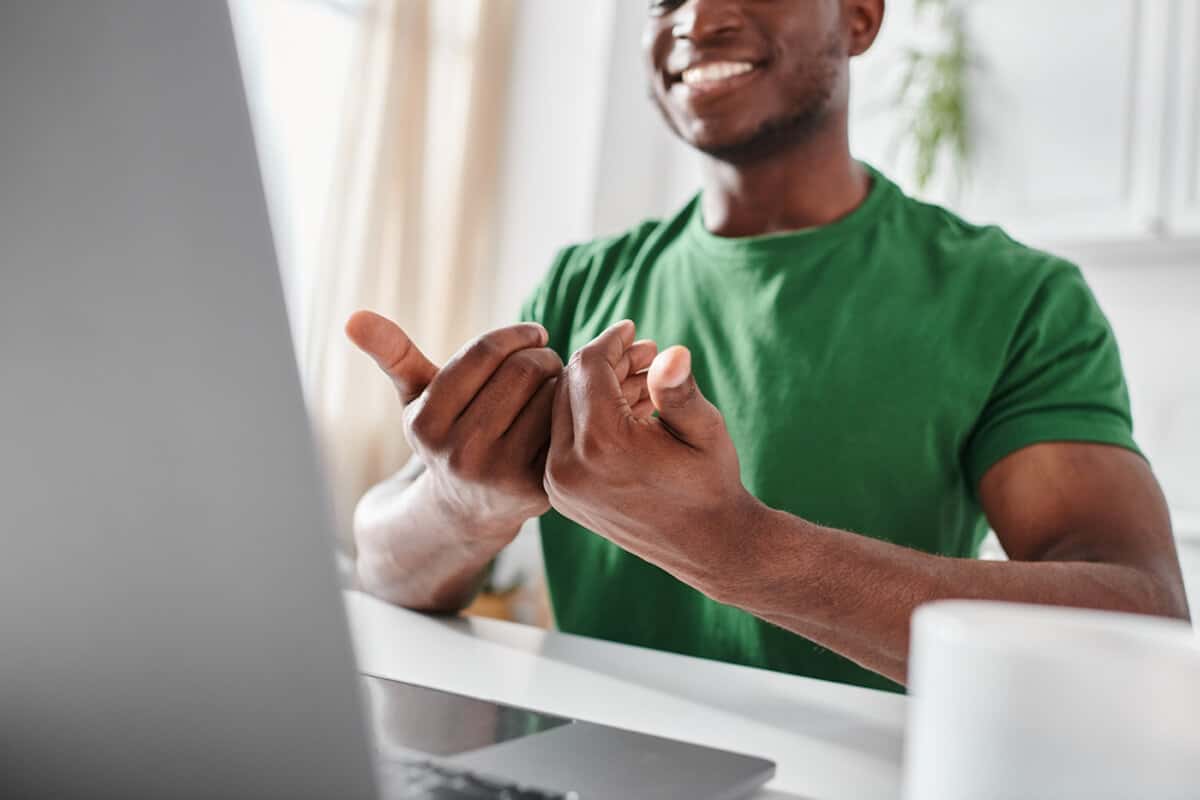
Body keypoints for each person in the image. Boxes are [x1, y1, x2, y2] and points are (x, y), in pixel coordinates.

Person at [345, 0, 1190, 692]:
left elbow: (1137, 623)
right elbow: (384, 563)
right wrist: (461, 506)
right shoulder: (581, 283)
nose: (697, 17)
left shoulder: (1015, 298)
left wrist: (736, 547)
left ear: (858, 18)